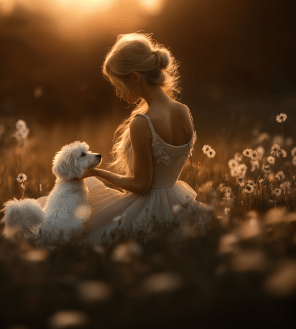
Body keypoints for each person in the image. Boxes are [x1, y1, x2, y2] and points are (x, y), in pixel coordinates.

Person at [41, 32, 214, 245]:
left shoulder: (142, 122)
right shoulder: (183, 111)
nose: (118, 92)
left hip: (149, 208)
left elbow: (142, 185)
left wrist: (96, 172)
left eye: (118, 84)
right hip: (179, 201)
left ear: (134, 77)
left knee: (72, 211)